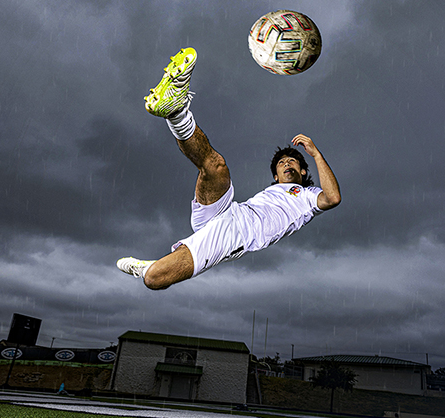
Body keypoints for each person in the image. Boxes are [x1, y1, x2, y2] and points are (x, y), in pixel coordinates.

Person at [117, 47, 341, 290]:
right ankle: (176, 111)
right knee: (215, 166)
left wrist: (316, 153)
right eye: (281, 162)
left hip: (237, 234)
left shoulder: (308, 197)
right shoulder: (271, 192)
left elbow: (333, 197)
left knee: (155, 279)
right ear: (275, 176)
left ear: (304, 172)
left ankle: (146, 269)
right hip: (230, 210)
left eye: (293, 161)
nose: (287, 163)